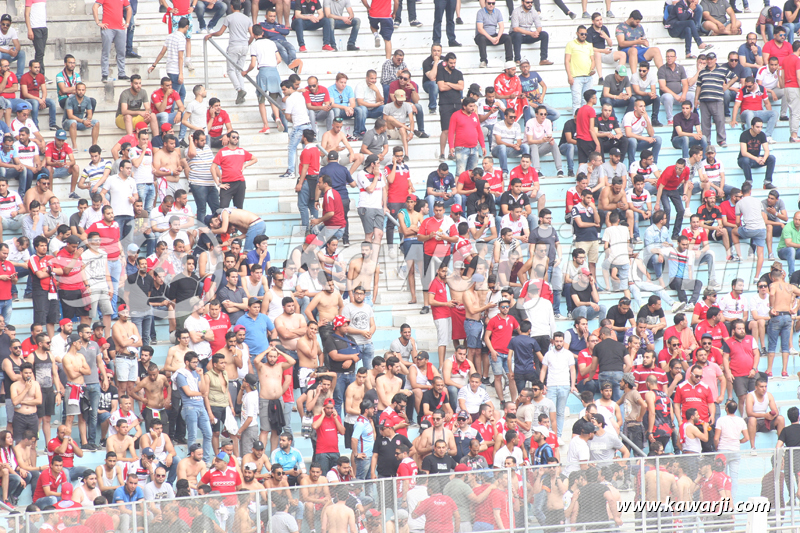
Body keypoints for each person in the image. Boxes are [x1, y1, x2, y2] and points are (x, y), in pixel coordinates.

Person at [695, 52, 732, 148]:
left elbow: (735, 77)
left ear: (715, 60)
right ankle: (706, 142)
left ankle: (721, 140)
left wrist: (727, 86)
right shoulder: (702, 72)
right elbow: (698, 86)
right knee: (705, 122)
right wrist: (696, 99)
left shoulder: (722, 70)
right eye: (708, 59)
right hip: (704, 100)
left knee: (719, 120)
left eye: (711, 59)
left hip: (717, 99)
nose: (709, 61)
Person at [93, 0, 132, 82]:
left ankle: (121, 73)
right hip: (108, 27)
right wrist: (98, 22)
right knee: (106, 52)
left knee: (121, 52)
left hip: (119, 28)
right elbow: (95, 7)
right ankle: (105, 74)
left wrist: (127, 23)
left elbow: (129, 8)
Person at [615, 10, 663, 75]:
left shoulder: (639, 27)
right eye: (636, 22)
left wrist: (645, 42)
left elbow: (644, 39)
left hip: (639, 49)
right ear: (631, 19)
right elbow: (621, 43)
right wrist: (636, 41)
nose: (638, 24)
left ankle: (662, 74)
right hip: (626, 51)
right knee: (633, 50)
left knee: (655, 50)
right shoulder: (620, 27)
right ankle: (634, 75)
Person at [565, 25, 597, 115]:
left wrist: (592, 68)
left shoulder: (589, 45)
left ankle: (586, 120)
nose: (584, 36)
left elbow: (593, 60)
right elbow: (567, 61)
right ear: (577, 33)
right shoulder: (571, 44)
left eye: (585, 34)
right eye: (582, 34)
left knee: (587, 101)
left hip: (588, 77)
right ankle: (576, 123)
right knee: (576, 101)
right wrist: (569, 75)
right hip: (576, 77)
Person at [509, 0, 552, 66]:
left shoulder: (533, 11)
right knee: (518, 35)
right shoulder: (516, 11)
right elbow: (515, 28)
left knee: (544, 34)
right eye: (527, 2)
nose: (530, 4)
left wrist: (537, 32)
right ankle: (517, 60)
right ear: (522, 2)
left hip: (527, 35)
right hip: (515, 35)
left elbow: (539, 26)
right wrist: (531, 33)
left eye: (531, 2)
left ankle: (543, 59)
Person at [475, 1, 512, 68]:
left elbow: (501, 27)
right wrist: (491, 39)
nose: (491, 5)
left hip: (494, 35)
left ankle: (509, 60)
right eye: (489, 3)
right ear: (485, 3)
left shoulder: (497, 12)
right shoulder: (480, 12)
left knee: (507, 37)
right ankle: (483, 61)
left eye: (493, 3)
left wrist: (498, 37)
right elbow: (480, 29)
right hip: (483, 36)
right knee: (481, 38)